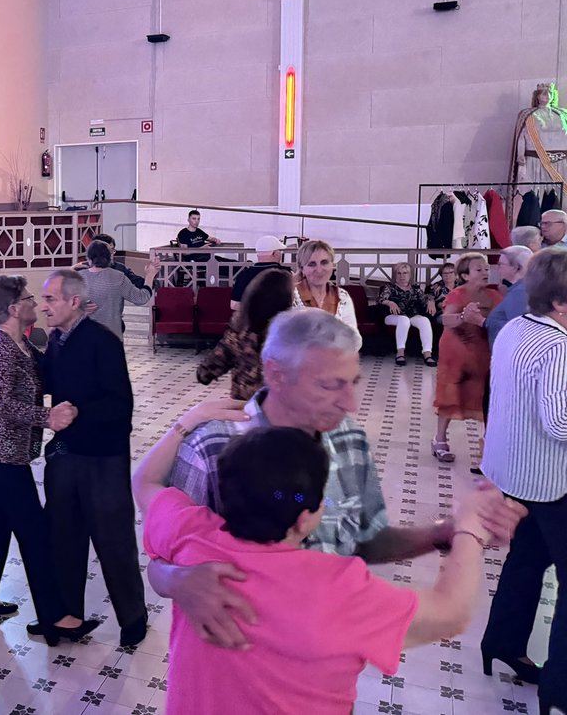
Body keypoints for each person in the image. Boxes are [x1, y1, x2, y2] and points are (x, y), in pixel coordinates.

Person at [144, 309, 525, 651]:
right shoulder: (212, 448)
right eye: (330, 385)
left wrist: (444, 532)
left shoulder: (348, 439)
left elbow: (365, 539)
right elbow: (162, 558)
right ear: (276, 374)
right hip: (228, 666)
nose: (350, 404)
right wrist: (178, 579)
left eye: (352, 383)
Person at [134, 420, 511, 715]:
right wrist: (469, 528)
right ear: (304, 519)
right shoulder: (336, 588)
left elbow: (145, 480)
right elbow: (453, 612)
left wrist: (186, 423)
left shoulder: (190, 532)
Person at [0, 274, 100, 646]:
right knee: (35, 533)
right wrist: (47, 418)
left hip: (12, 453)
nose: (36, 304)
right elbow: (0, 403)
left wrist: (75, 324)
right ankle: (56, 617)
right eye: (28, 298)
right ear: (13, 309)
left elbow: (51, 368)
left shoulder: (22, 345)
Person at [37, 268, 148, 647]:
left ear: (73, 301)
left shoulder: (102, 341)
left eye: (50, 299)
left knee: (113, 540)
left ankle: (133, 617)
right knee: (64, 537)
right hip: (66, 454)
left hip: (103, 458)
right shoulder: (57, 341)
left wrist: (78, 413)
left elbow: (121, 404)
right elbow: (48, 382)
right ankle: (69, 615)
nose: (43, 306)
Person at [481, 248, 567, 713]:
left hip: (513, 469)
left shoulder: (516, 327)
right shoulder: (558, 345)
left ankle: (502, 643)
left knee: (527, 559)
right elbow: (558, 422)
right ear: (559, 303)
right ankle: (560, 688)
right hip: (548, 478)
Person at [433, 252, 502, 465]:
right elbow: (446, 319)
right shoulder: (457, 294)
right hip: (457, 353)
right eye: (478, 269)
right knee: (451, 394)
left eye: (486, 268)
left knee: (485, 397)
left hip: (484, 351)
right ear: (464, 275)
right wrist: (464, 316)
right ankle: (439, 440)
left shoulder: (495, 295)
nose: (485, 272)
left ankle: (487, 444)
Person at [196, 268, 294, 401]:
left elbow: (205, 373)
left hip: (246, 410)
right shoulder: (292, 334)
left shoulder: (240, 331)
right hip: (282, 409)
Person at [81, 239, 156, 337]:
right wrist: (150, 275)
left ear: (89, 257)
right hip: (111, 335)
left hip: (84, 335)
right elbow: (140, 298)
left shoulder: (78, 277)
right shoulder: (118, 277)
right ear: (109, 257)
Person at [291, 239, 360, 345]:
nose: (319, 270)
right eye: (312, 264)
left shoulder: (342, 297)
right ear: (302, 269)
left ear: (332, 265)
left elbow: (355, 339)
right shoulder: (290, 296)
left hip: (335, 359)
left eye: (324, 262)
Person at [377, 262, 436, 366]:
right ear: (395, 275)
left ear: (410, 275)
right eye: (399, 273)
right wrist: (390, 302)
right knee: (404, 320)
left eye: (405, 273)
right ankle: (400, 353)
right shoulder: (389, 287)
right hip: (393, 316)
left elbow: (424, 300)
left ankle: (427, 353)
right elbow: (380, 299)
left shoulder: (415, 289)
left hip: (412, 315)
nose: (402, 276)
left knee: (424, 321)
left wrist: (431, 301)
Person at [486, 245, 534, 346]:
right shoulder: (518, 289)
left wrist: (482, 321)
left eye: (501, 264)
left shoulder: (520, 292)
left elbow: (519, 330)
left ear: (516, 267)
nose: (498, 268)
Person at [229, 236, 288, 311]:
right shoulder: (285, 273)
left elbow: (234, 305)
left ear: (257, 255)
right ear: (275, 253)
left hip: (253, 321)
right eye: (280, 251)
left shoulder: (244, 275)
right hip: (278, 320)